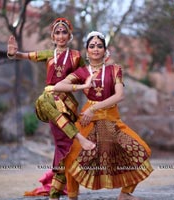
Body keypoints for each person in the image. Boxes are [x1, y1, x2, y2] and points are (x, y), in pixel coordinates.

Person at [53, 31, 154, 200]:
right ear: (87, 51)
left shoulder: (115, 70)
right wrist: (81, 86)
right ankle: (72, 196)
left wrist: (94, 108)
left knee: (141, 150)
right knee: (71, 154)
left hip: (110, 119)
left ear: (105, 50)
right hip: (88, 120)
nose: (96, 49)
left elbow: (119, 95)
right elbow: (58, 86)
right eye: (92, 46)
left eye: (99, 46)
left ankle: (125, 194)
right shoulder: (82, 72)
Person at [6, 18, 95, 200]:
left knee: (64, 147)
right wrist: (13, 54)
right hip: (49, 102)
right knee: (46, 96)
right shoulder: (49, 54)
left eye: (64, 32)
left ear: (69, 35)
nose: (61, 36)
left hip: (67, 103)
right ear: (52, 36)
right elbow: (27, 56)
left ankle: (55, 194)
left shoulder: (76, 56)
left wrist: (95, 103)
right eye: (57, 33)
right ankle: (78, 138)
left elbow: (87, 78)